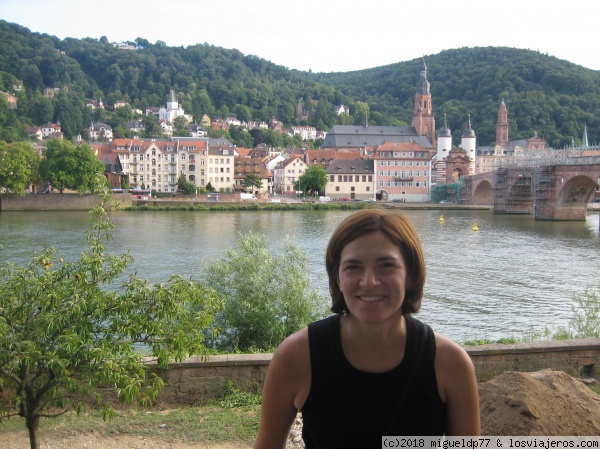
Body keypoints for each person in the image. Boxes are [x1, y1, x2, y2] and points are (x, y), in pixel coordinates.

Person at [254, 209, 480, 449]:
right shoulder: (297, 356)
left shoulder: (450, 363)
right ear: (337, 277)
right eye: (353, 267)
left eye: (386, 265)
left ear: (411, 275)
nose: (369, 282)